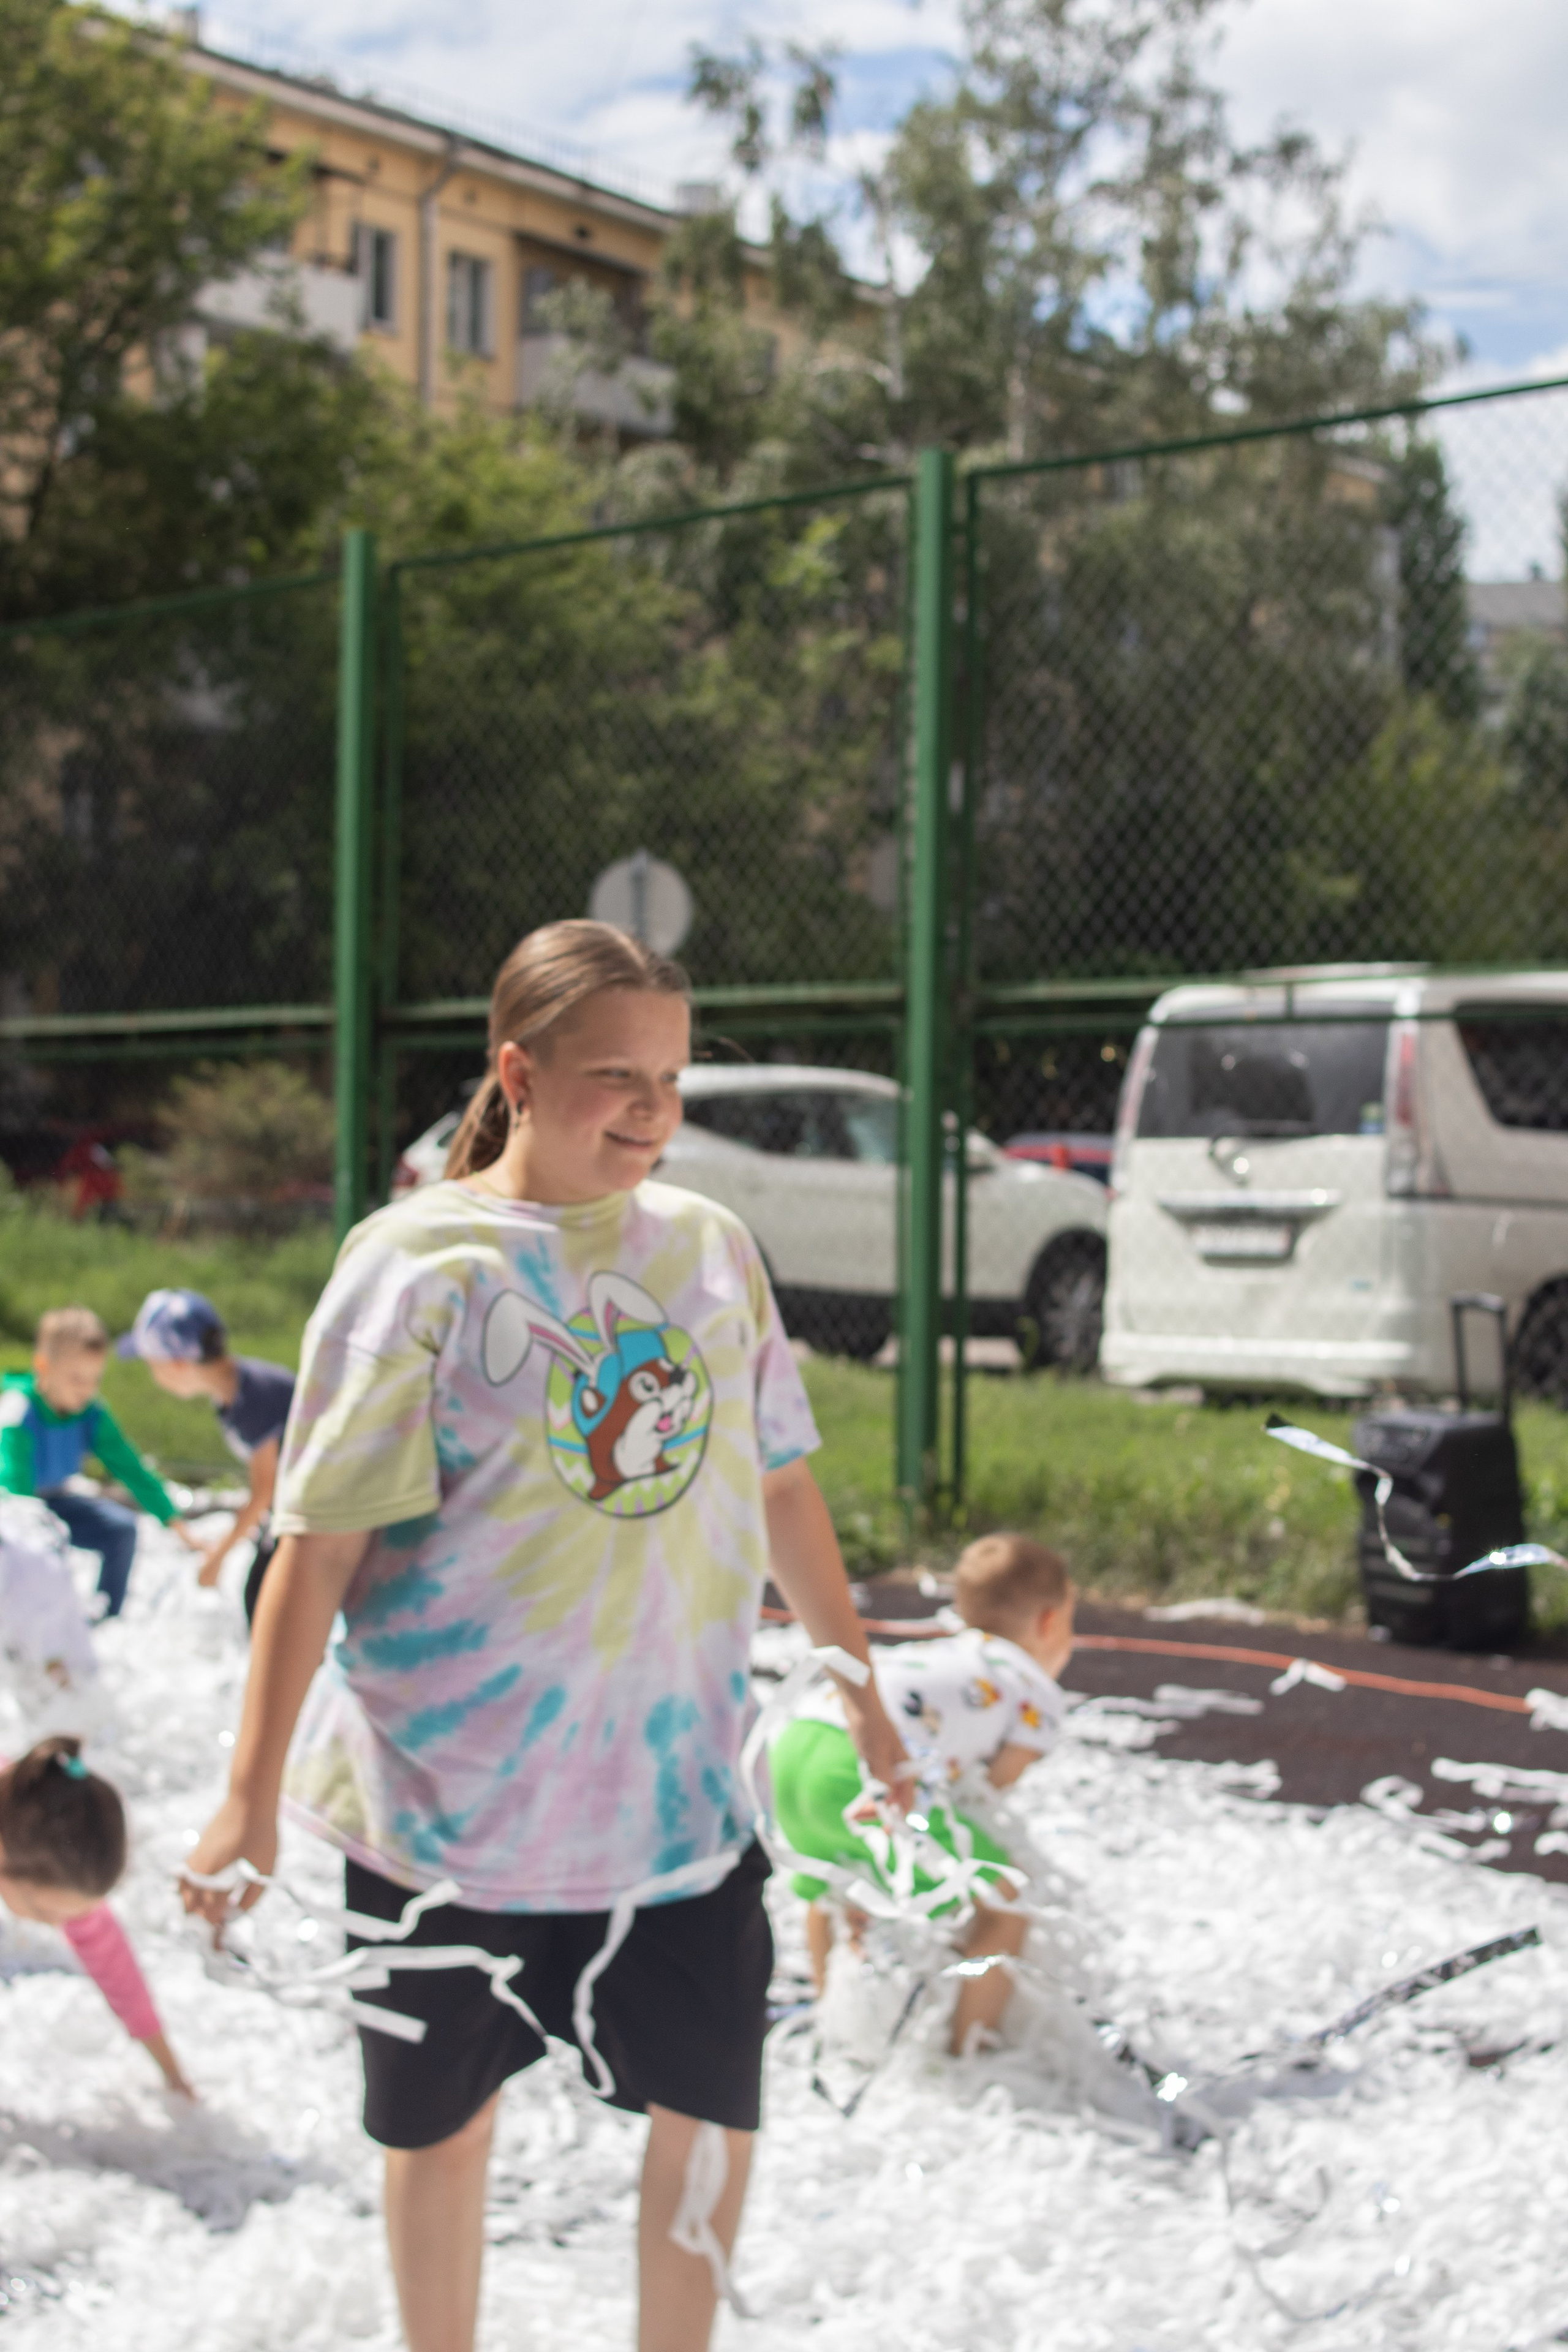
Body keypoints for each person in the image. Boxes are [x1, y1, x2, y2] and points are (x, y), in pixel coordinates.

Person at [181, 919, 910, 2352]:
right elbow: (315, 1551)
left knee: (711, 2111)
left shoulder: (707, 1249)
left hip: (671, 1802)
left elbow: (776, 1481)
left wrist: (860, 1689)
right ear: (516, 1072)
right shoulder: (419, 1267)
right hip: (448, 1813)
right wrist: (245, 1797)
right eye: (612, 1075)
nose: (648, 1107)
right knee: (441, 2128)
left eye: (670, 1078)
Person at [770, 1531, 1075, 2056]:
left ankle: (834, 2032)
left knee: (831, 1886)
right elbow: (989, 1790)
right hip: (862, 1763)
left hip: (792, 1747)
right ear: (1050, 1623)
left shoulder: (946, 1653)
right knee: (1005, 1904)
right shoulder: (1032, 1687)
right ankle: (969, 2050)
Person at [0, 1734, 194, 2097]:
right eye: (44, 1912)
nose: (56, 1925)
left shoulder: (21, 1815)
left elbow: (113, 1962)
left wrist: (173, 2074)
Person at [0, 1308, 196, 1617]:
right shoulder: (18, 1410)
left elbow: (129, 1466)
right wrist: (34, 1539)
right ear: (43, 1368)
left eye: (95, 1379)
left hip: (55, 1499)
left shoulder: (90, 1413)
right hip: (11, 1512)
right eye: (76, 1379)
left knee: (122, 1530)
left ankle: (106, 1616)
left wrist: (172, 1519)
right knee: (43, 1555)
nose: (87, 1389)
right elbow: (15, 1481)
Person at [116, 1289, 295, 1624]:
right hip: (292, 1510)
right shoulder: (240, 1389)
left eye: (153, 1365)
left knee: (265, 1608)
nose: (154, 1377)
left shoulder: (253, 1401)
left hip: (312, 1515)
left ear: (179, 1365)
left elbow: (265, 1489)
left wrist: (219, 1557)